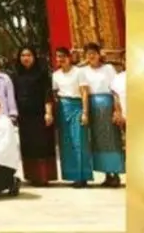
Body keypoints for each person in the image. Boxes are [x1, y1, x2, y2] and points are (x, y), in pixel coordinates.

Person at [10, 46, 58, 186]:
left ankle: (44, 176)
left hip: (40, 114)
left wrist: (48, 112)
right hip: (24, 116)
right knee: (28, 146)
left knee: (42, 144)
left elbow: (47, 93)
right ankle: (32, 176)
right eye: (23, 55)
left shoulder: (42, 72)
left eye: (29, 55)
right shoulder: (16, 74)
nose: (26, 58)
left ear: (34, 57)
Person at [82, 43, 125, 187]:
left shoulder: (108, 69)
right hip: (92, 106)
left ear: (99, 54)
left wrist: (116, 109)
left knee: (111, 139)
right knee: (98, 141)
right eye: (88, 53)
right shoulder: (83, 71)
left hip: (107, 105)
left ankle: (115, 173)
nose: (91, 56)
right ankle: (106, 174)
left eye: (93, 53)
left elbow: (115, 90)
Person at [52, 46, 93, 187]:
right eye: (58, 56)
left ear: (69, 57)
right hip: (63, 108)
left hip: (77, 107)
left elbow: (84, 92)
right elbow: (55, 93)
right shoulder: (56, 75)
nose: (60, 59)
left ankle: (83, 176)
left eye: (63, 56)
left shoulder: (78, 72)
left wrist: (85, 112)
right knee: (66, 142)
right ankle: (72, 175)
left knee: (79, 141)